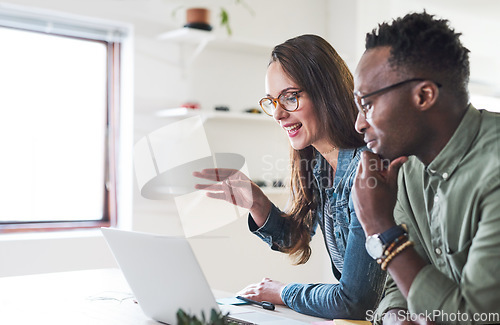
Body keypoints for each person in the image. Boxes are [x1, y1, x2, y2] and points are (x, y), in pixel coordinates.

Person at [194, 34, 386, 320]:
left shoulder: (368, 170)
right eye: (273, 101)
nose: (278, 114)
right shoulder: (318, 164)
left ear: (326, 92)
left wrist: (283, 292)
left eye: (290, 97)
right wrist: (258, 203)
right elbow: (294, 238)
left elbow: (355, 300)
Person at [351, 12, 500, 324]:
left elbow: (477, 316)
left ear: (424, 95)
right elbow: (400, 278)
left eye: (367, 104)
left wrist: (380, 227)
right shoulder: (406, 169)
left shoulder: (494, 171)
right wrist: (394, 315)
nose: (359, 123)